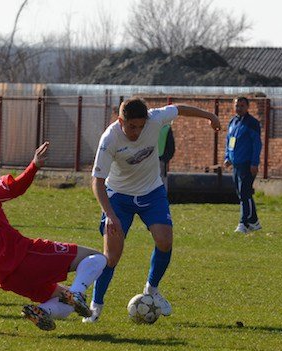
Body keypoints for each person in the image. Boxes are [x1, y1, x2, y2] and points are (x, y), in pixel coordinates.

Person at [0, 142, 108, 331]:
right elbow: (15, 188)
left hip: (7, 278)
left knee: (64, 300)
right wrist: (34, 165)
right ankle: (76, 293)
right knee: (97, 258)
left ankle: (42, 311)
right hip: (24, 256)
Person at [87, 97, 221, 323]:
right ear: (121, 121)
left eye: (141, 126)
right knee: (112, 255)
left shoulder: (156, 118)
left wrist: (211, 116)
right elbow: (97, 181)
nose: (137, 132)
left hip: (151, 191)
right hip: (119, 196)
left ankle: (152, 290)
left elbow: (180, 109)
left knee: (165, 240)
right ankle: (95, 307)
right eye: (131, 127)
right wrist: (110, 214)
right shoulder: (109, 138)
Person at [223, 96, 263, 234]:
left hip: (247, 164)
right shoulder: (232, 122)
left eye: (241, 106)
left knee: (245, 193)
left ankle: (243, 223)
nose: (239, 108)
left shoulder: (252, 123)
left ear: (247, 107)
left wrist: (254, 163)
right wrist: (227, 157)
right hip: (236, 164)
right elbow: (229, 142)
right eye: (237, 105)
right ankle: (255, 222)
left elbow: (257, 144)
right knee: (241, 193)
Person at [158, 123, 175, 190]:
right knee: (162, 182)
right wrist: (166, 159)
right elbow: (171, 148)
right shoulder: (167, 128)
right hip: (161, 160)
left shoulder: (148, 126)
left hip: (151, 160)